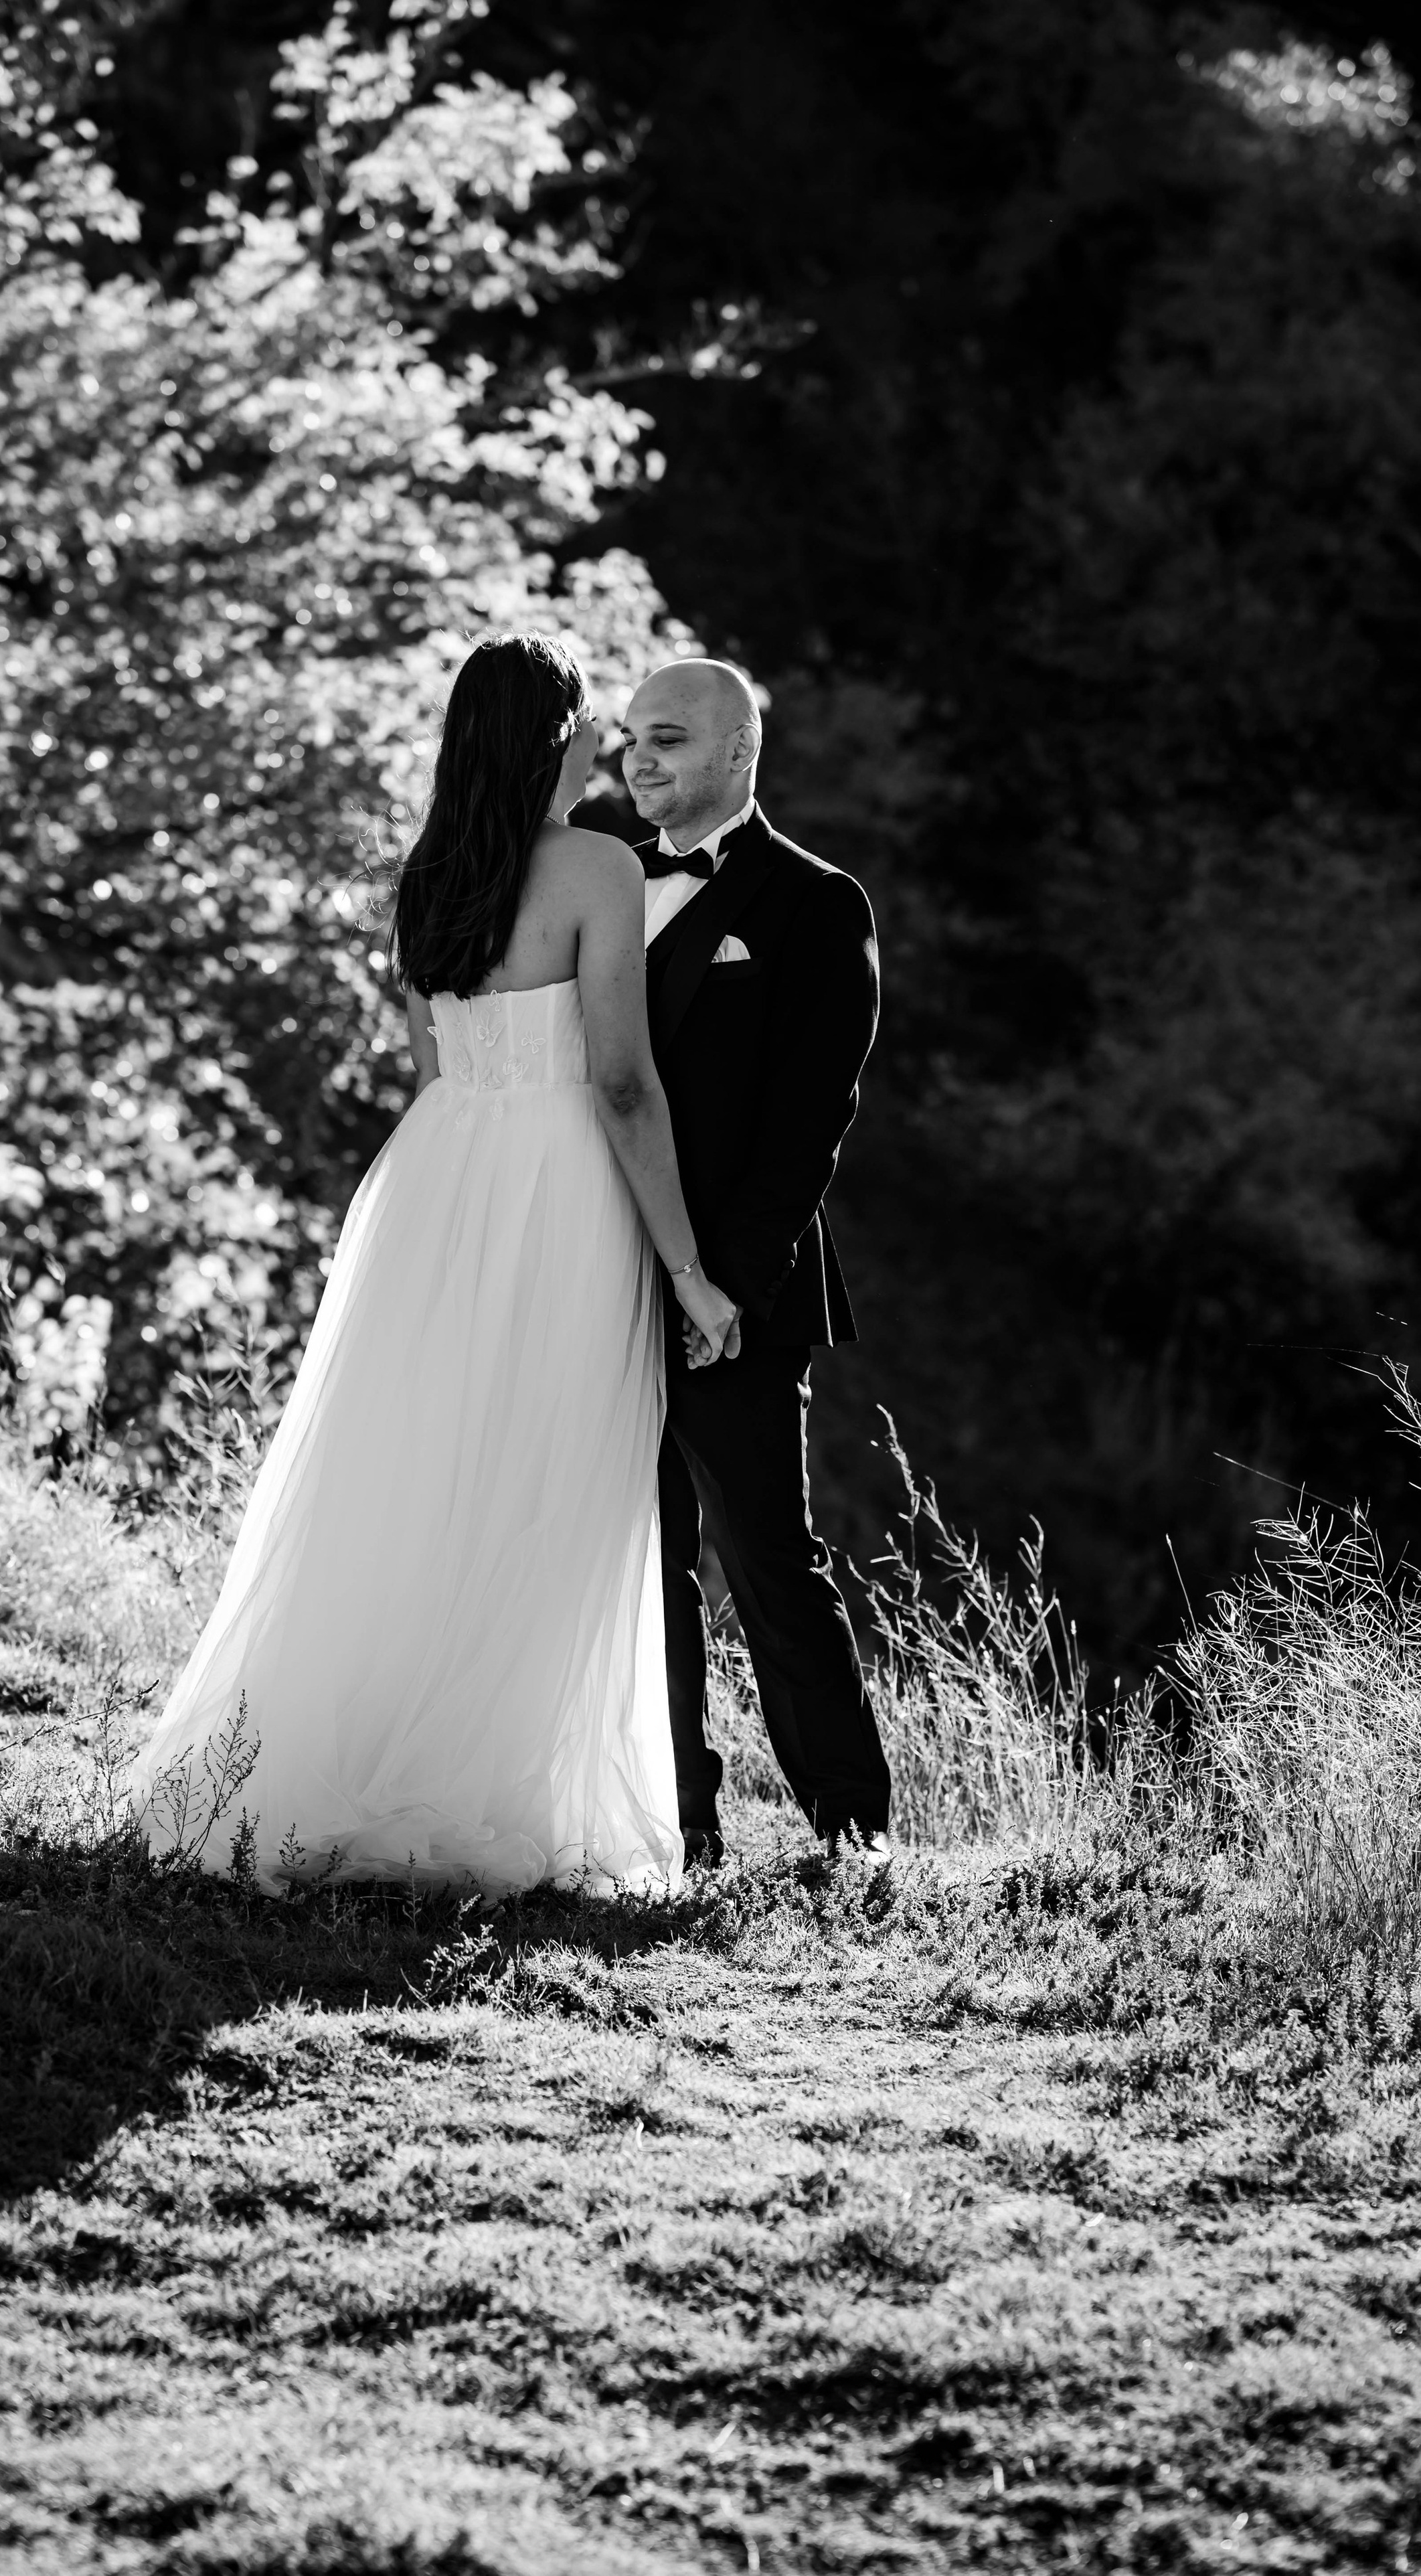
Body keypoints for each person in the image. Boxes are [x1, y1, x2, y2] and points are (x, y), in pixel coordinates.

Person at [131, 633, 739, 1894]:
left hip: (439, 1178)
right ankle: (498, 1785)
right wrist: (686, 1268)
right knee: (547, 1477)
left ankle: (359, 1750)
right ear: (549, 735)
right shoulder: (596, 865)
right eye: (586, 721)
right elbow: (623, 1084)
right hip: (558, 1186)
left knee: (422, 1467)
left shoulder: (430, 876)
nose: (608, 743)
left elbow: (435, 1063)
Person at [620, 658, 892, 1866]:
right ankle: (683, 1830)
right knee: (641, 1567)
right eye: (631, 738)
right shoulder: (600, 879)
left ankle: (852, 1829)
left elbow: (809, 1120)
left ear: (738, 753)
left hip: (740, 1292)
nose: (641, 759)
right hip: (600, 1276)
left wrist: (723, 1283)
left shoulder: (815, 902)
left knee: (771, 1560)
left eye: (668, 739)